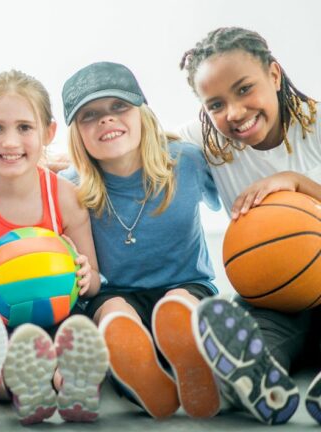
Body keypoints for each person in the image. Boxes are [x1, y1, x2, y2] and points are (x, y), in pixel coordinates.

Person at [0, 69, 106, 425]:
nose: (10, 142)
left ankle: (70, 383)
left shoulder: (64, 196)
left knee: (76, 332)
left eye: (24, 128)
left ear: (48, 133)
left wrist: (86, 277)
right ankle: (23, 382)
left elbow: (95, 280)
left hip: (54, 316)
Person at [60, 61, 222, 420]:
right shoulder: (70, 188)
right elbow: (23, 185)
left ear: (143, 113)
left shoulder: (187, 162)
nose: (107, 119)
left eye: (119, 106)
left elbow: (236, 194)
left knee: (179, 306)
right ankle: (146, 381)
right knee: (114, 317)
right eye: (90, 115)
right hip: (115, 292)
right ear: (77, 134)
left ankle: (194, 364)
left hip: (186, 284)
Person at [179, 26, 321, 425]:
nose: (234, 112)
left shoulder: (317, 124)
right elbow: (138, 144)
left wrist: (298, 184)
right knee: (252, 334)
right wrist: (39, 160)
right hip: (275, 295)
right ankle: (255, 383)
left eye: (244, 89)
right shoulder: (211, 144)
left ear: (274, 76)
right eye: (216, 104)